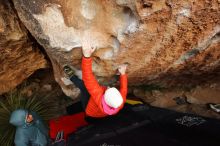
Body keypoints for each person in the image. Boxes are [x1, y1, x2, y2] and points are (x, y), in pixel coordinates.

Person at [64, 46, 128, 119]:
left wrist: (87, 57)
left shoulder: (98, 96)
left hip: (89, 109)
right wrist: (123, 74)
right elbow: (124, 90)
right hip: (100, 113)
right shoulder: (119, 103)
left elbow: (88, 78)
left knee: (83, 87)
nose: (109, 87)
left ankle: (71, 76)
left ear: (103, 97)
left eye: (108, 89)